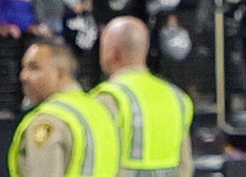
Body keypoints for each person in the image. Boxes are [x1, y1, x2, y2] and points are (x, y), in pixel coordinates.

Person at [92, 17, 193, 176]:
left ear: (113, 52)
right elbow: (185, 166)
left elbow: (98, 161)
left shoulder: (109, 98)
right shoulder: (177, 97)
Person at [8, 39, 119, 176]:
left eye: (34, 67)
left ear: (60, 73)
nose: (23, 76)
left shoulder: (49, 120)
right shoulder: (100, 111)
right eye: (23, 68)